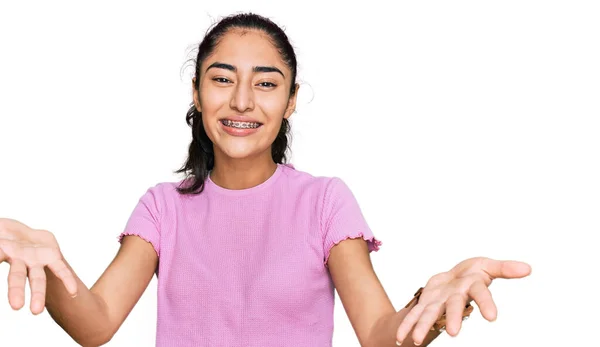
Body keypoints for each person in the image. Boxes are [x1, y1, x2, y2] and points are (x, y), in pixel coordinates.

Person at [0, 12, 531, 347]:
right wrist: (54, 261)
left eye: (267, 83)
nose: (242, 102)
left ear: (291, 100)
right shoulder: (163, 208)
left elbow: (378, 335)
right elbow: (95, 326)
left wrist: (428, 308)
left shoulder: (325, 201)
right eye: (222, 78)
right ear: (196, 91)